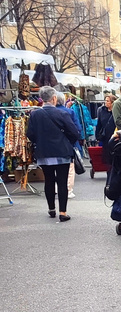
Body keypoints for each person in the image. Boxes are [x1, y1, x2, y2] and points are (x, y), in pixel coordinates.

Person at [26, 88, 81, 221]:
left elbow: (30, 134)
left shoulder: (34, 115)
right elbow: (75, 133)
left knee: (49, 180)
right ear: (54, 98)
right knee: (62, 182)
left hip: (44, 152)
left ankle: (51, 209)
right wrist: (67, 142)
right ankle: (63, 212)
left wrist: (40, 142)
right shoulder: (62, 113)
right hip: (62, 151)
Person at [56, 95, 84, 199]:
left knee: (55, 167)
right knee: (70, 168)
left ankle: (56, 187)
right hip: (69, 144)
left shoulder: (47, 112)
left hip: (54, 145)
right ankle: (68, 190)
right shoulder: (69, 112)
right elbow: (77, 128)